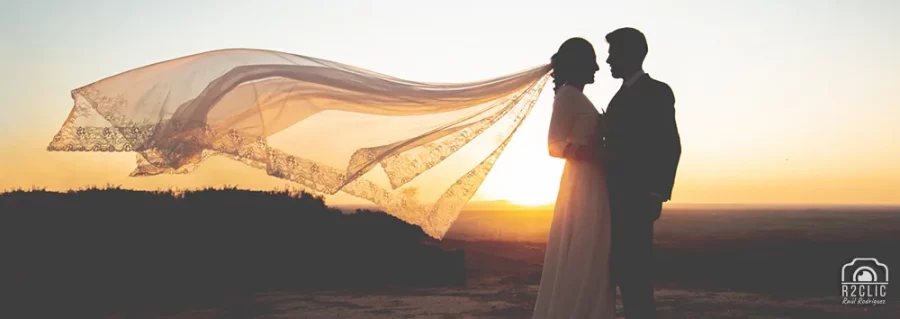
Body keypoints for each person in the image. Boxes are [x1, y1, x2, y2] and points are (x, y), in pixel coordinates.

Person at [531, 37, 615, 319]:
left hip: (592, 179)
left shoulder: (576, 95)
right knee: (584, 248)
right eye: (591, 62)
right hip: (582, 181)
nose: (597, 69)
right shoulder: (567, 95)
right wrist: (591, 153)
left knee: (593, 249)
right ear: (578, 64)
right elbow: (553, 145)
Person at [603, 27, 682, 319]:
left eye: (613, 53)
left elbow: (669, 145)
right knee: (620, 273)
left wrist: (656, 192)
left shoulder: (657, 92)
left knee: (636, 276)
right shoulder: (617, 98)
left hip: (636, 199)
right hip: (612, 198)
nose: (608, 60)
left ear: (630, 54)